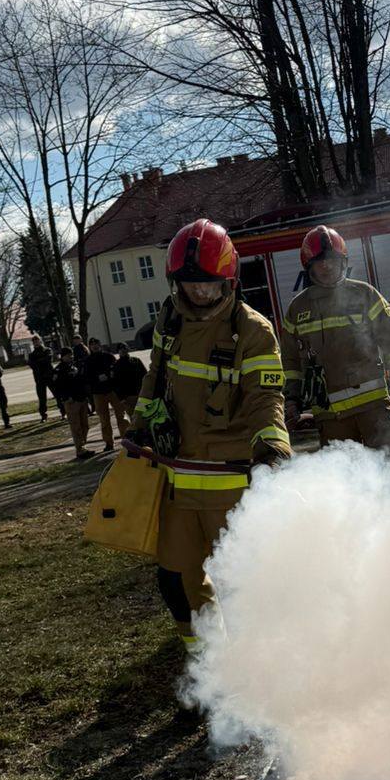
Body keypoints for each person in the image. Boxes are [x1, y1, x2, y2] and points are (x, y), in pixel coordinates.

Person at [126, 218, 290, 650]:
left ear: (229, 279)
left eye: (209, 284)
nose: (199, 293)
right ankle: (205, 667)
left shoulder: (253, 331)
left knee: (242, 582)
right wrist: (140, 428)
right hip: (177, 476)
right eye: (190, 283)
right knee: (176, 578)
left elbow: (265, 396)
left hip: (229, 479)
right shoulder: (169, 320)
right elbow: (154, 379)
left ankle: (259, 666)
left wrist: (272, 445)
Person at [281, 225, 390, 453]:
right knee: (345, 482)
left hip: (373, 408)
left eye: (332, 260)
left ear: (343, 261)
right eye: (319, 262)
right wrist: (291, 400)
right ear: (308, 266)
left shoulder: (365, 295)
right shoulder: (297, 309)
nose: (326, 266)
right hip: (330, 416)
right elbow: (291, 361)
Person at [51, 345, 93, 459]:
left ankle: (83, 446)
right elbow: (56, 387)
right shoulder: (59, 370)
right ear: (63, 356)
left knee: (85, 425)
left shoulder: (74, 367)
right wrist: (65, 398)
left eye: (71, 355)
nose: (71, 357)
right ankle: (80, 449)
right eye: (68, 355)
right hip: (71, 401)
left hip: (81, 399)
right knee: (76, 426)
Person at [87, 339, 118, 453]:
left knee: (121, 417)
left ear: (100, 345)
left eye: (96, 344)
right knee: (104, 420)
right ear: (89, 347)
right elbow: (87, 377)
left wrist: (109, 376)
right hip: (98, 393)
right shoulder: (88, 360)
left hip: (112, 391)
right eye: (92, 345)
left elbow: (116, 371)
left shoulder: (108, 356)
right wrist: (97, 379)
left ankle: (127, 440)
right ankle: (109, 443)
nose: (95, 346)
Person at [111, 342, 143, 435]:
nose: (123, 350)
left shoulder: (136, 361)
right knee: (132, 419)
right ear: (118, 351)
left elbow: (145, 376)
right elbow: (115, 384)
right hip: (128, 397)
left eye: (125, 348)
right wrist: (121, 398)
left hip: (141, 395)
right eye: (121, 349)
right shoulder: (116, 365)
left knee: (143, 417)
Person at [27, 337, 54, 421]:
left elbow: (48, 360)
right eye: (34, 341)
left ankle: (63, 412)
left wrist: (39, 362)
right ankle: (43, 415)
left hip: (49, 377)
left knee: (57, 394)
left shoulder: (47, 350)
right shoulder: (32, 355)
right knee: (42, 398)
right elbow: (32, 365)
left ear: (40, 341)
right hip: (39, 379)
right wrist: (41, 361)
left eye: (37, 341)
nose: (36, 343)